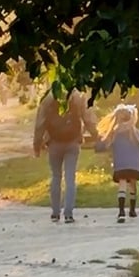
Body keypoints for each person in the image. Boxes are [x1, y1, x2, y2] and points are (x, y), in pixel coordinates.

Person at [32, 87, 98, 223]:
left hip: (54, 143)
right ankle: (68, 214)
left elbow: (40, 124)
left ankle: (55, 213)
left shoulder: (49, 98)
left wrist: (37, 146)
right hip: (73, 142)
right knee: (70, 178)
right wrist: (96, 135)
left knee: (56, 176)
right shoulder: (77, 96)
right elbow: (87, 118)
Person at [96, 104, 139, 223]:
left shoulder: (114, 133)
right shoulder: (136, 133)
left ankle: (121, 211)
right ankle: (132, 210)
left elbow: (102, 146)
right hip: (134, 166)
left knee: (122, 185)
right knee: (132, 185)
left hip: (121, 166)